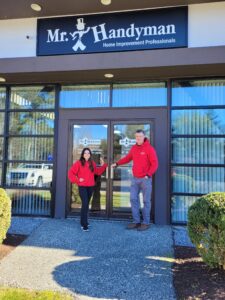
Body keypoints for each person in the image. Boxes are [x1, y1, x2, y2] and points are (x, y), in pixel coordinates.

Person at [112, 129, 158, 231]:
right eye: (136, 136)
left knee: (146, 201)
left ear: (144, 137)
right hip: (135, 179)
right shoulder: (134, 148)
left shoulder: (149, 149)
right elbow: (128, 158)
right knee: (133, 199)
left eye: (140, 136)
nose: (138, 138)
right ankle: (136, 221)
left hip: (145, 179)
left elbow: (155, 164)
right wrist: (117, 163)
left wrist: (148, 174)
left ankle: (146, 223)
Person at [68, 147, 107, 232]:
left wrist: (104, 165)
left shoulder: (92, 163)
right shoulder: (78, 163)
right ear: (82, 154)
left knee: (86, 205)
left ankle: (84, 221)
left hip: (90, 187)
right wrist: (77, 180)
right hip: (82, 187)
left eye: (88, 153)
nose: (87, 154)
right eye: (85, 153)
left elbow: (98, 172)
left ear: (90, 155)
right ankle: (84, 224)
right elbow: (70, 173)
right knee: (85, 204)